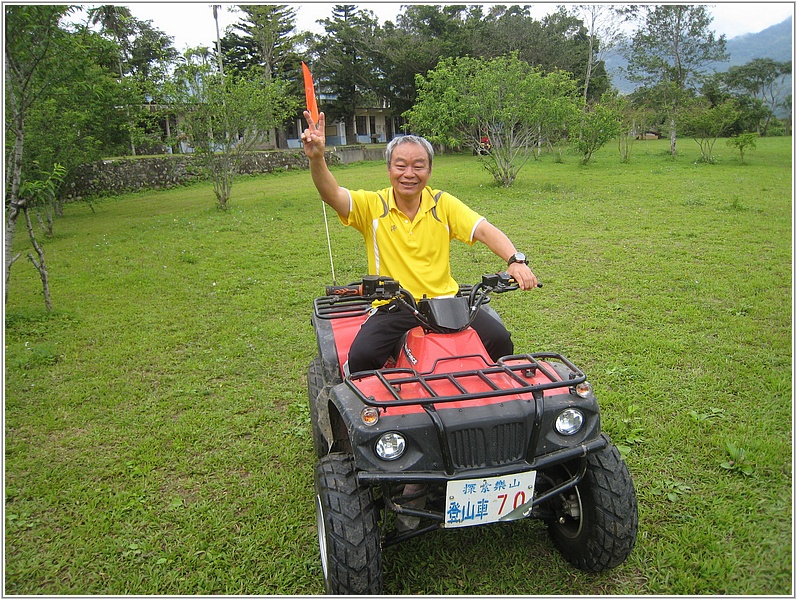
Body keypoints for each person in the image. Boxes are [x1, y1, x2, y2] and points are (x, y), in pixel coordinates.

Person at [301, 111, 539, 374]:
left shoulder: (441, 204)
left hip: (447, 302)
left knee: (499, 340)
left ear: (429, 170)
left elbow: (483, 230)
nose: (409, 174)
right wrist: (317, 159)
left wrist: (515, 260)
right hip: (396, 304)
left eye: (418, 166)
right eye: (401, 165)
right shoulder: (373, 206)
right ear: (389, 169)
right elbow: (332, 194)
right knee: (362, 356)